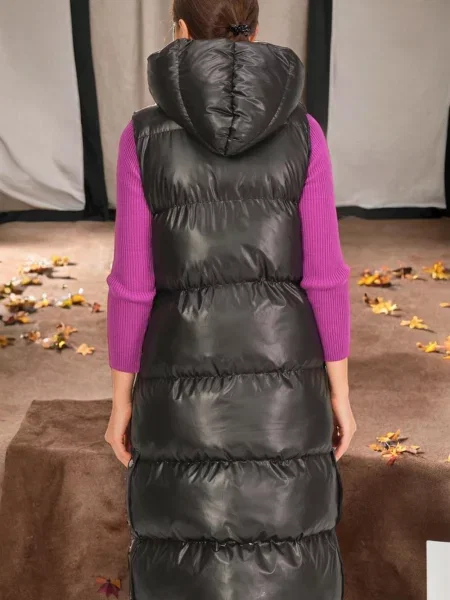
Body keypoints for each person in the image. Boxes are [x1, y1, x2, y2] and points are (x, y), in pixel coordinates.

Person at [105, 0, 356, 598]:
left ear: (180, 29)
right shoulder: (305, 132)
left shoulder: (142, 136)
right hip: (285, 388)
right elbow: (325, 277)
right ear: (256, 29)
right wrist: (340, 396)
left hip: (180, 386)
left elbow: (133, 285)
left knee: (183, 551)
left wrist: (120, 402)